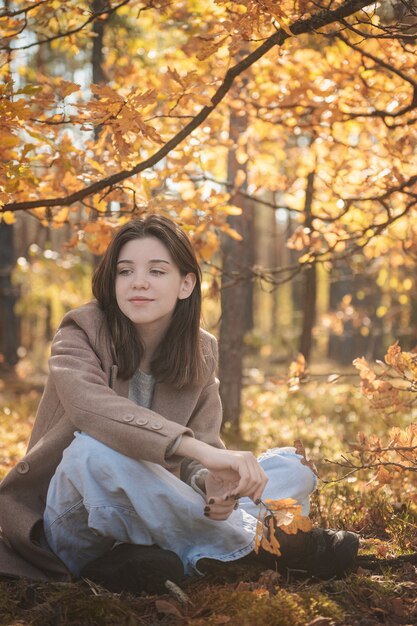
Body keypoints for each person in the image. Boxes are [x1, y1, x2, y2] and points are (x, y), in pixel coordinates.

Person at [0, 215, 359, 593]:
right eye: (125, 271)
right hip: (77, 516)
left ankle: (159, 558)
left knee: (291, 468)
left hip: (157, 509)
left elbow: (197, 461)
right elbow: (92, 411)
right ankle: (259, 545)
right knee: (91, 452)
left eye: (156, 271)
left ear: (186, 283)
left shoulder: (201, 351)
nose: (138, 281)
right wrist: (201, 453)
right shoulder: (80, 332)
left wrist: (213, 487)